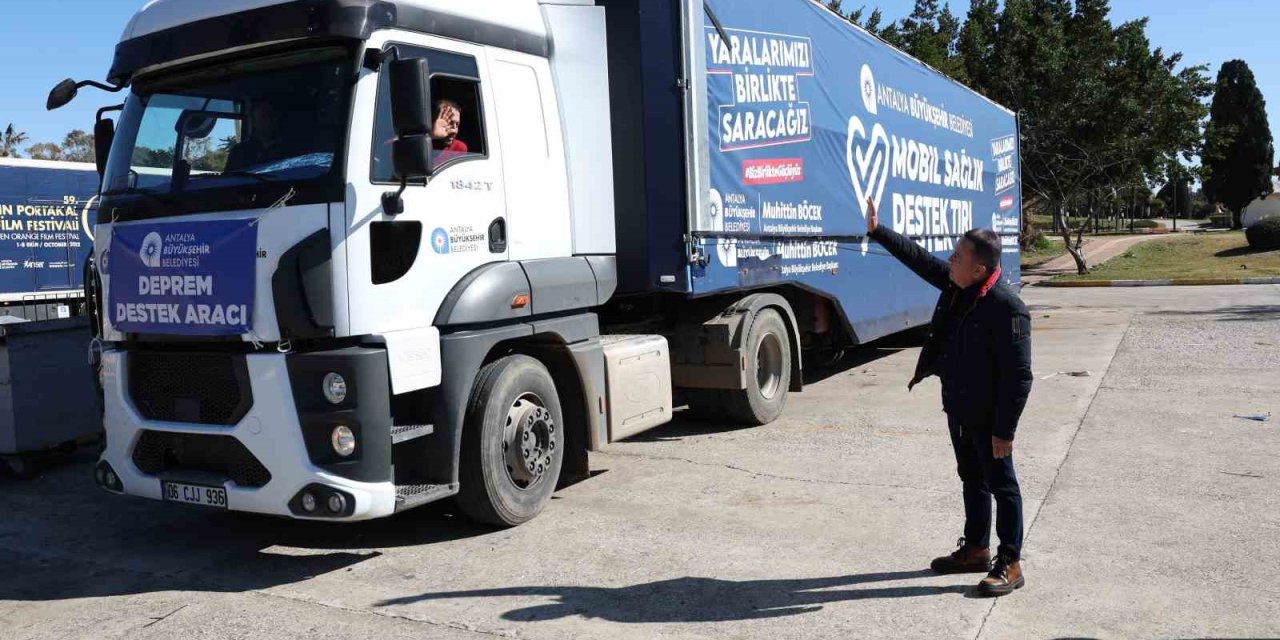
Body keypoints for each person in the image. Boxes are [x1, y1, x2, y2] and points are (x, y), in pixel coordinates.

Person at [865, 198, 1034, 597]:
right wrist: (879, 231)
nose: (949, 260)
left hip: (990, 418)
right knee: (971, 479)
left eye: (956, 257)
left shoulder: (1007, 308)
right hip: (958, 406)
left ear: (980, 268)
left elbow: (1019, 377)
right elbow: (921, 260)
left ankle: (1010, 561)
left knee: (1002, 486)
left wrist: (1004, 431)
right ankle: (975, 548)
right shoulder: (960, 285)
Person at [225, 101, 282, 171]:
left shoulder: (289, 149)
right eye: (263, 116)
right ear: (254, 122)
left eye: (272, 115)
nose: (269, 120)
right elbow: (230, 179)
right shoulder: (239, 152)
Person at [430, 99, 468, 165]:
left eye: (457, 124)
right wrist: (432, 136)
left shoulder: (458, 148)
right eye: (449, 122)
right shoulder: (421, 144)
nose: (455, 130)